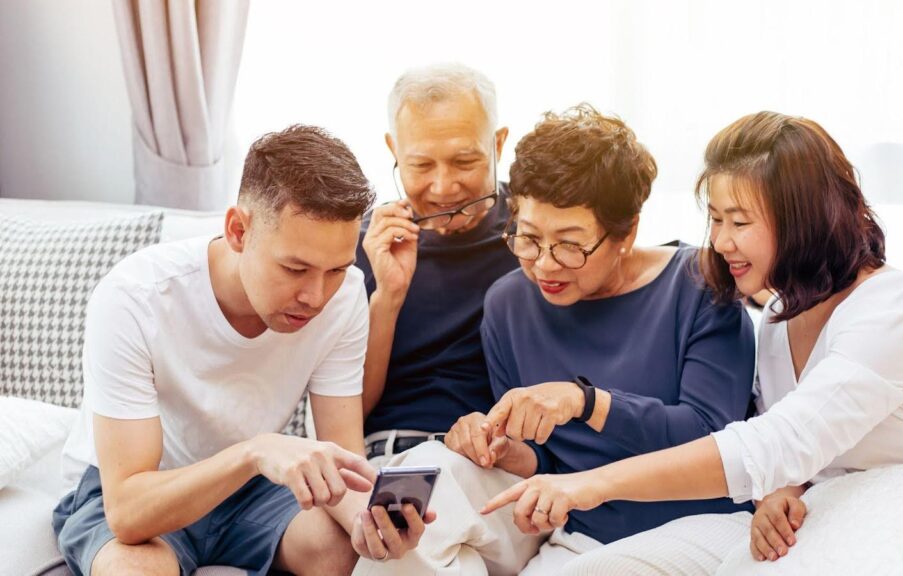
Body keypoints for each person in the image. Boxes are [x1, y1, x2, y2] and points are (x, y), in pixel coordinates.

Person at [480, 111, 903, 576]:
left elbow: (777, 442)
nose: (718, 242)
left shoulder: (895, 312)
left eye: (739, 221)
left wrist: (587, 486)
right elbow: (800, 456)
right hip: (837, 513)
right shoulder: (778, 318)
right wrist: (780, 493)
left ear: (802, 221)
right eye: (715, 219)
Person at [370, 104, 756, 575]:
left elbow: (711, 440)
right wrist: (498, 446)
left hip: (698, 524)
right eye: (529, 238)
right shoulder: (509, 303)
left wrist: (587, 402)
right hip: (579, 531)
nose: (545, 265)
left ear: (626, 232)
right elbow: (547, 459)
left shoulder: (699, 284)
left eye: (570, 244)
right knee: (416, 528)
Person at [52, 125, 399, 576]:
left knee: (343, 551)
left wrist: (370, 524)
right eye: (295, 268)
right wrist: (255, 451)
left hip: (253, 491)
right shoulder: (135, 297)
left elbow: (344, 459)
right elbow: (128, 512)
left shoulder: (345, 296)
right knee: (135, 570)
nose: (316, 296)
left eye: (335, 269)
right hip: (142, 490)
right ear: (238, 229)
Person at [347, 63, 521, 570]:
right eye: (421, 165)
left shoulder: (537, 238)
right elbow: (344, 412)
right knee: (415, 547)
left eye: (465, 160)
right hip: (380, 464)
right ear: (392, 151)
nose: (444, 188)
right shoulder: (362, 246)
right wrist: (388, 297)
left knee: (397, 532)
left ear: (499, 143)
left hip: (481, 464)